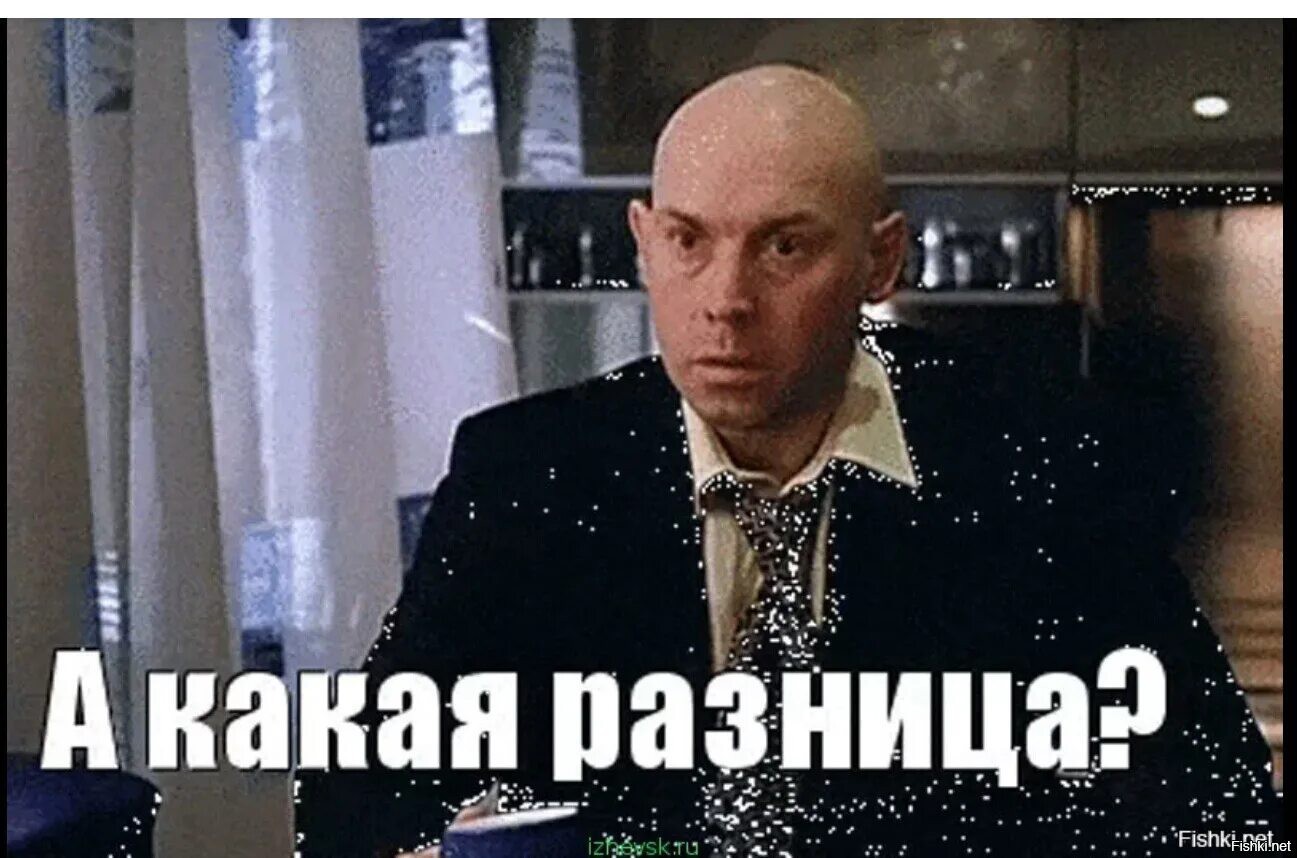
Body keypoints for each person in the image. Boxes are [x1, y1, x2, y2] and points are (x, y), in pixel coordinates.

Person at [296, 65, 1280, 857]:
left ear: (879, 260)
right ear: (642, 241)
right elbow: (354, 799)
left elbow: (1217, 805)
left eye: (783, 248)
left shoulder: (1043, 465)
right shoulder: (526, 474)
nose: (723, 300)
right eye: (687, 240)